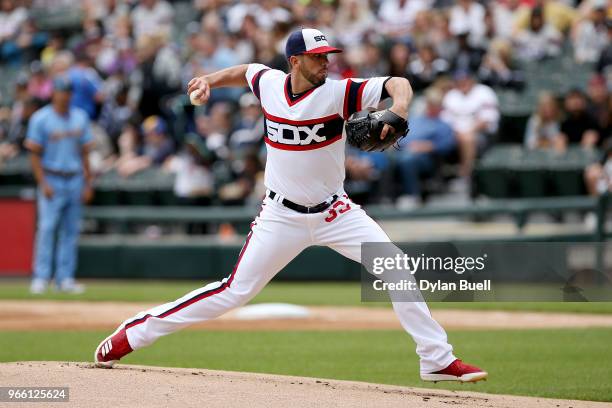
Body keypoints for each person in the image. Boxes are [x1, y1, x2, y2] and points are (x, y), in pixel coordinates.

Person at [94, 28, 487, 383]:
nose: (326, 63)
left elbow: (398, 82)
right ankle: (134, 332)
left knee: (395, 266)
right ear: (295, 61)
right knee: (233, 291)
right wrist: (210, 79)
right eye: (318, 57)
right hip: (280, 215)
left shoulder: (338, 92)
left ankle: (435, 359)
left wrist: (399, 109)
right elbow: (247, 70)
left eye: (328, 56)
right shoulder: (269, 84)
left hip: (336, 213)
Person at [24, 76, 94, 294]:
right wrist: (42, 182)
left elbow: (85, 153)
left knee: (70, 231)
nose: (64, 95)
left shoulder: (80, 117)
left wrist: (88, 182)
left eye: (68, 92)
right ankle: (41, 277)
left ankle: (65, 279)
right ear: (53, 93)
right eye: (61, 91)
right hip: (51, 176)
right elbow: (34, 155)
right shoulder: (41, 118)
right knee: (46, 229)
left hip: (74, 178)